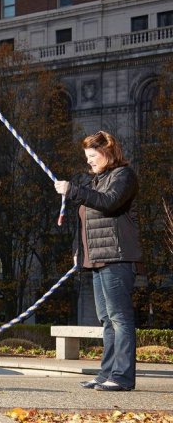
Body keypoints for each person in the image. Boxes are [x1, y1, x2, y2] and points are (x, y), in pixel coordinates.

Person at [54, 131, 142, 392]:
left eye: (93, 156)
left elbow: (110, 203)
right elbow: (85, 222)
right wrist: (77, 252)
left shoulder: (124, 177)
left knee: (120, 318)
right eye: (87, 157)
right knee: (106, 319)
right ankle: (106, 374)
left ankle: (123, 377)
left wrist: (73, 190)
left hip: (117, 257)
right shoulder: (96, 182)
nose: (89, 162)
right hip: (96, 259)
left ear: (108, 153)